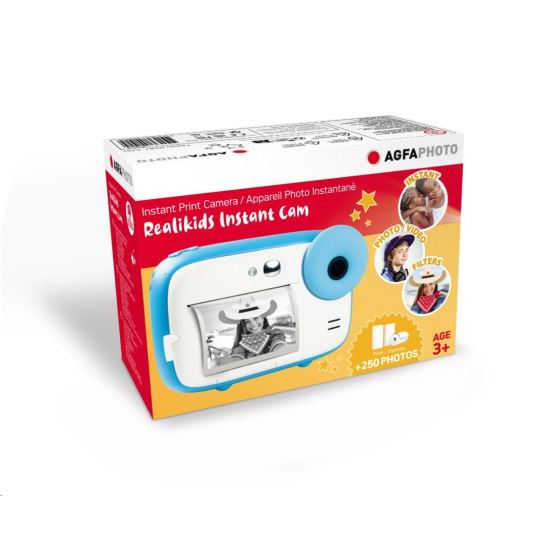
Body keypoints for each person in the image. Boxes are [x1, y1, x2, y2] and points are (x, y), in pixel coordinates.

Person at [218, 296, 287, 361]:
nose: (253, 323)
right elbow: (236, 358)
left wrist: (281, 349)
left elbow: (279, 345)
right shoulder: (241, 343)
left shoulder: (275, 333)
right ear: (243, 325)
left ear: (262, 318)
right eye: (247, 321)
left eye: (256, 318)